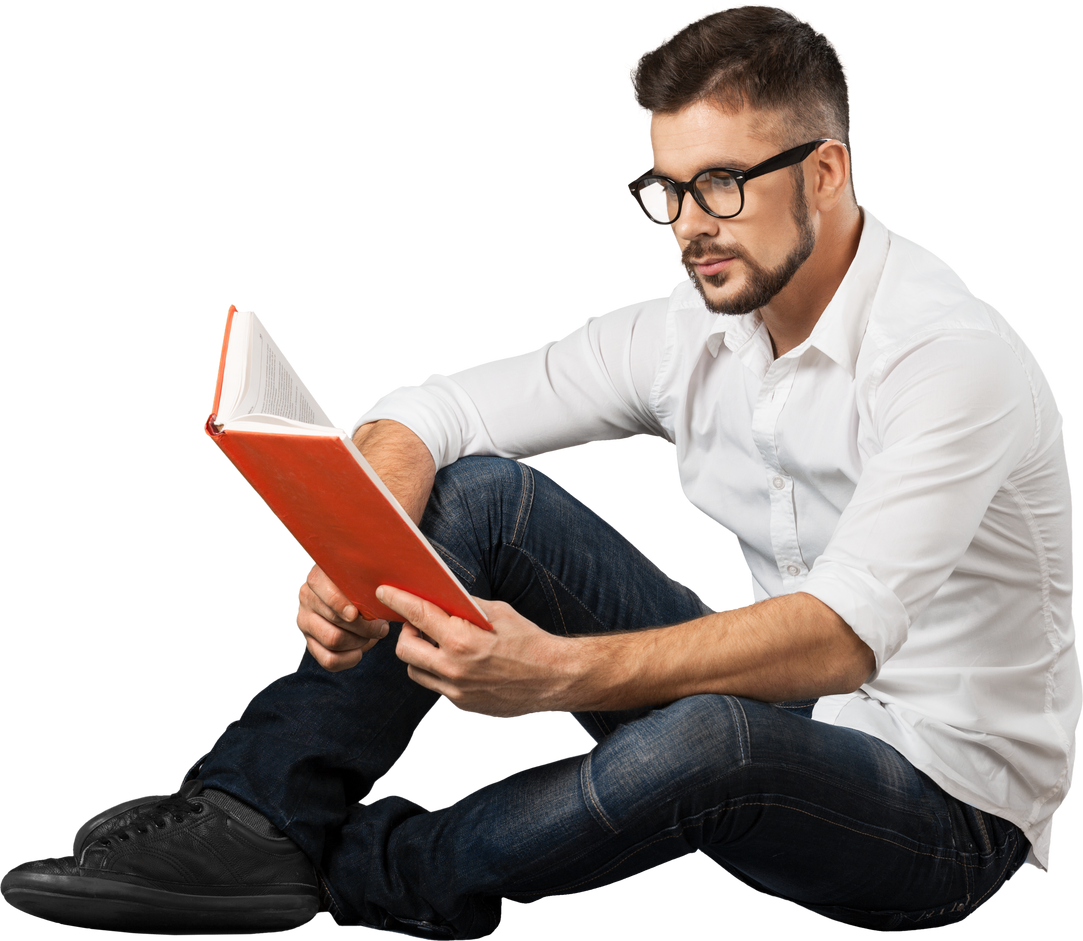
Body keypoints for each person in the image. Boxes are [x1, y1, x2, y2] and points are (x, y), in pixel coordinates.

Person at [3, 5, 1077, 937]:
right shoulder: (690, 329)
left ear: (829, 171)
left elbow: (840, 634)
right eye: (664, 190)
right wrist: (358, 532)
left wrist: (559, 671)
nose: (688, 229)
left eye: (720, 184)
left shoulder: (947, 356)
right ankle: (255, 814)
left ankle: (361, 867)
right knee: (481, 495)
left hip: (954, 811)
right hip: (803, 723)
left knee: (716, 736)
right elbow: (440, 409)